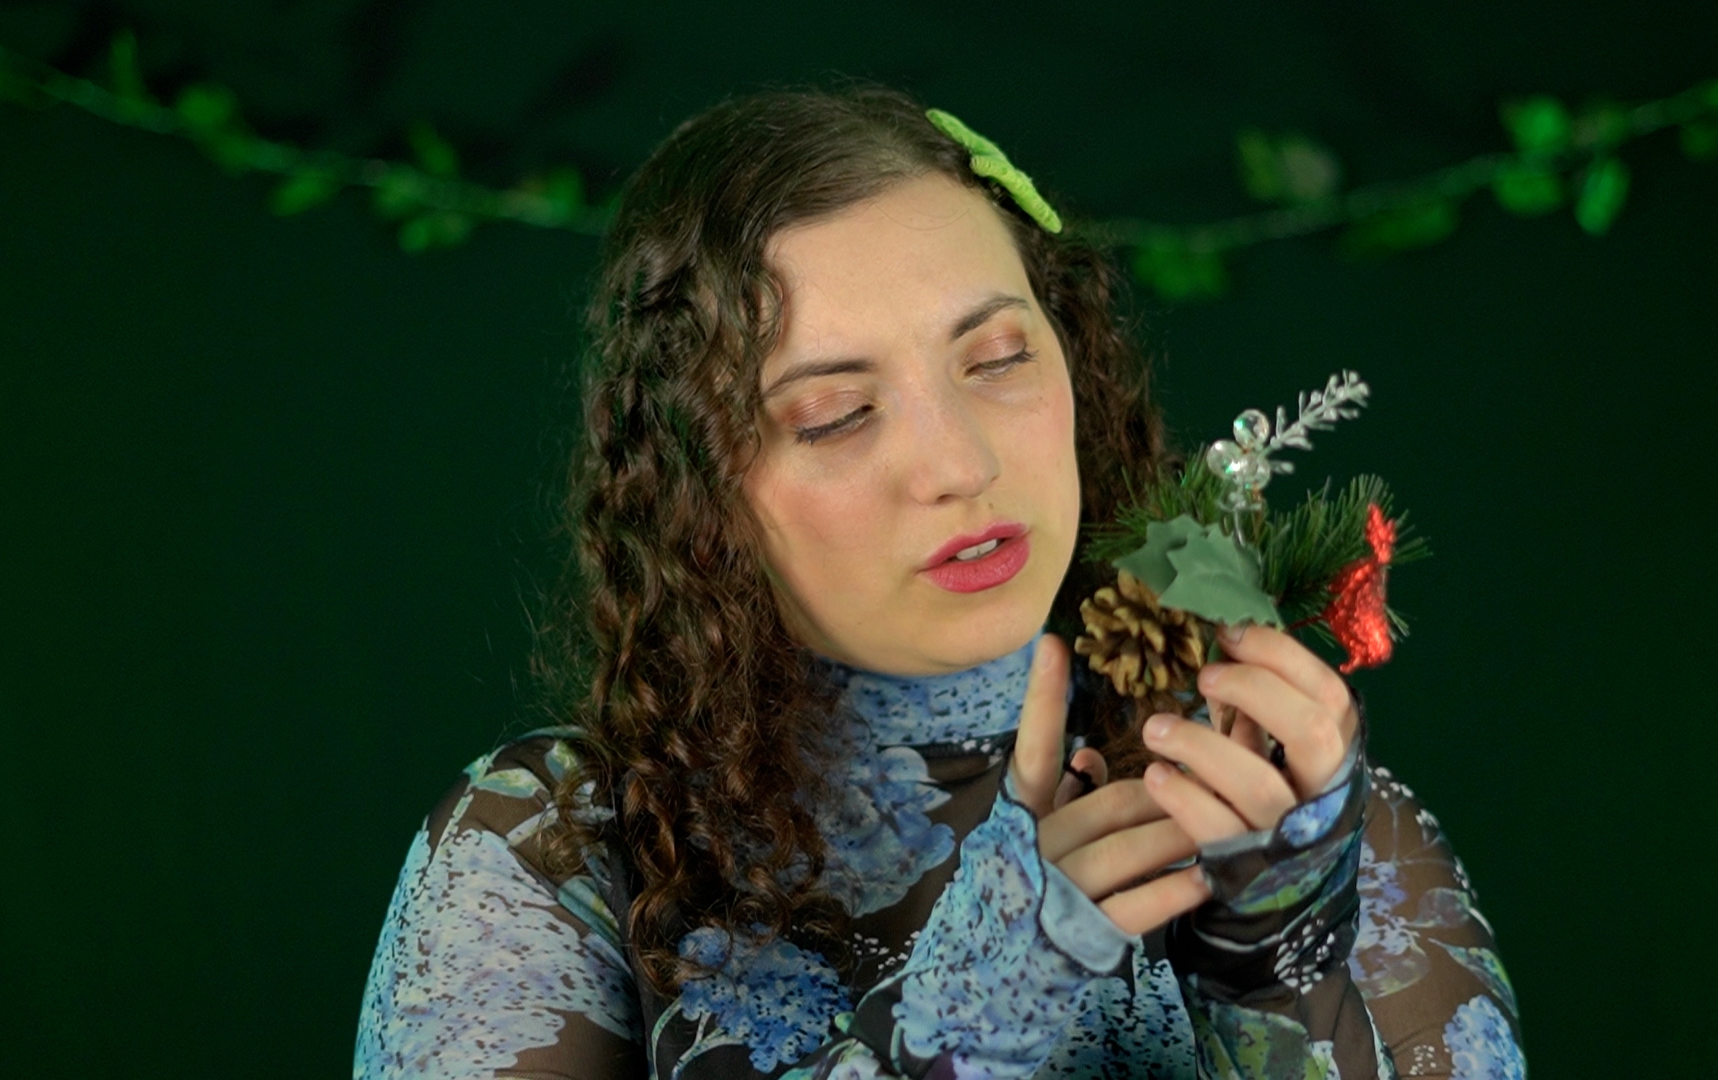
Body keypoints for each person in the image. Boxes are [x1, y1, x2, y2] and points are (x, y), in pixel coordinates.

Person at [352, 84, 1526, 1079]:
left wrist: (1281, 980)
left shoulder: (1317, 830)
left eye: (999, 358)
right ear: (697, 493)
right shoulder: (557, 848)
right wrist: (965, 1035)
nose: (961, 464)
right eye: (836, 413)